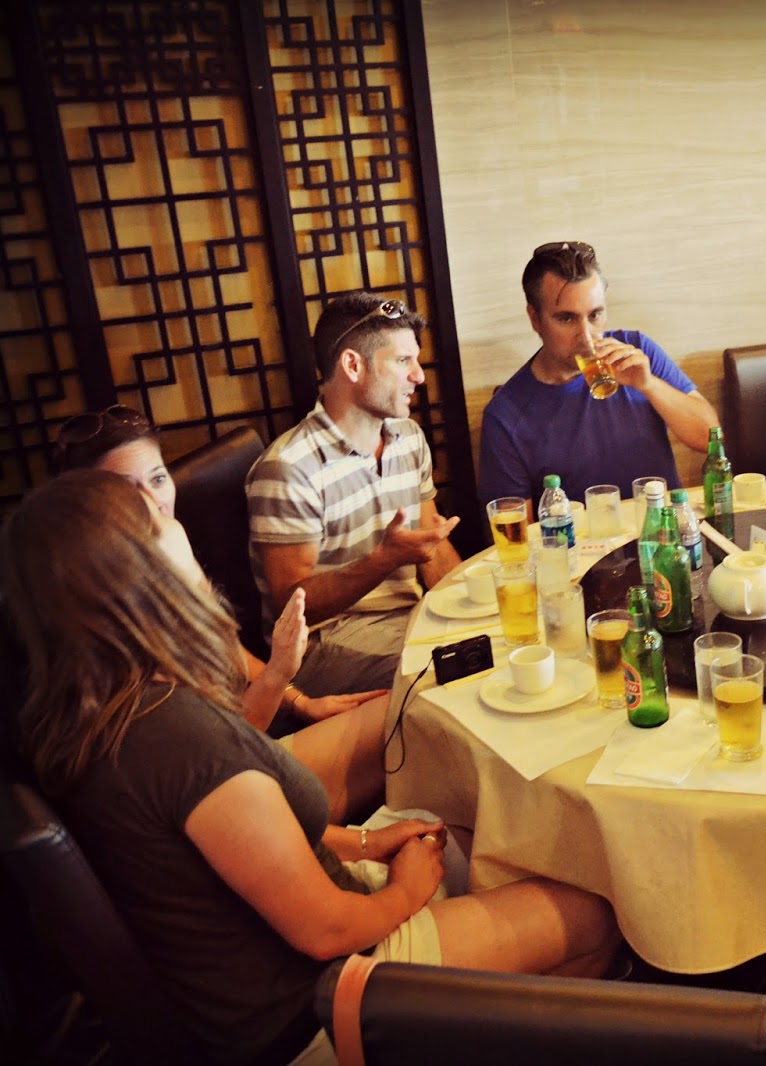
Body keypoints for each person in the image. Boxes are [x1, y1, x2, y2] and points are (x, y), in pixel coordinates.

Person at [0, 472, 619, 1066]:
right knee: (593, 914)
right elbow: (326, 930)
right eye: (156, 516)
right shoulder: (178, 735)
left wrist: (368, 843)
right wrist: (405, 891)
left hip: (276, 966)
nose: (173, 513)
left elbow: (244, 845)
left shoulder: (94, 713)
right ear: (139, 573)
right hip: (313, 1007)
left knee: (469, 833)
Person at [52, 406, 388, 818]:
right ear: (82, 507)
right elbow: (211, 760)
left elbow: (225, 644)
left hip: (241, 734)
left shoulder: (167, 542)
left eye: (158, 478)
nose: (152, 501)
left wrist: (299, 701)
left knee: (408, 703)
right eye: (124, 489)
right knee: (404, 715)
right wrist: (279, 673)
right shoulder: (110, 613)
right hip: (220, 783)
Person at [247, 293, 464, 697]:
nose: (419, 376)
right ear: (352, 365)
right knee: (457, 672)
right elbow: (292, 606)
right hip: (323, 646)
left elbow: (431, 546)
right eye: (403, 361)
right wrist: (383, 560)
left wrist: (477, 606)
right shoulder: (289, 469)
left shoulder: (408, 437)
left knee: (507, 639)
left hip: (412, 617)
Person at [478, 240, 718, 501]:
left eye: (594, 316)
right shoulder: (507, 414)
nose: (586, 336)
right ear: (535, 319)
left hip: (662, 523)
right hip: (581, 529)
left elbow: (709, 441)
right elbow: (514, 523)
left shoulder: (636, 350)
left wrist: (648, 385)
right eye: (566, 318)